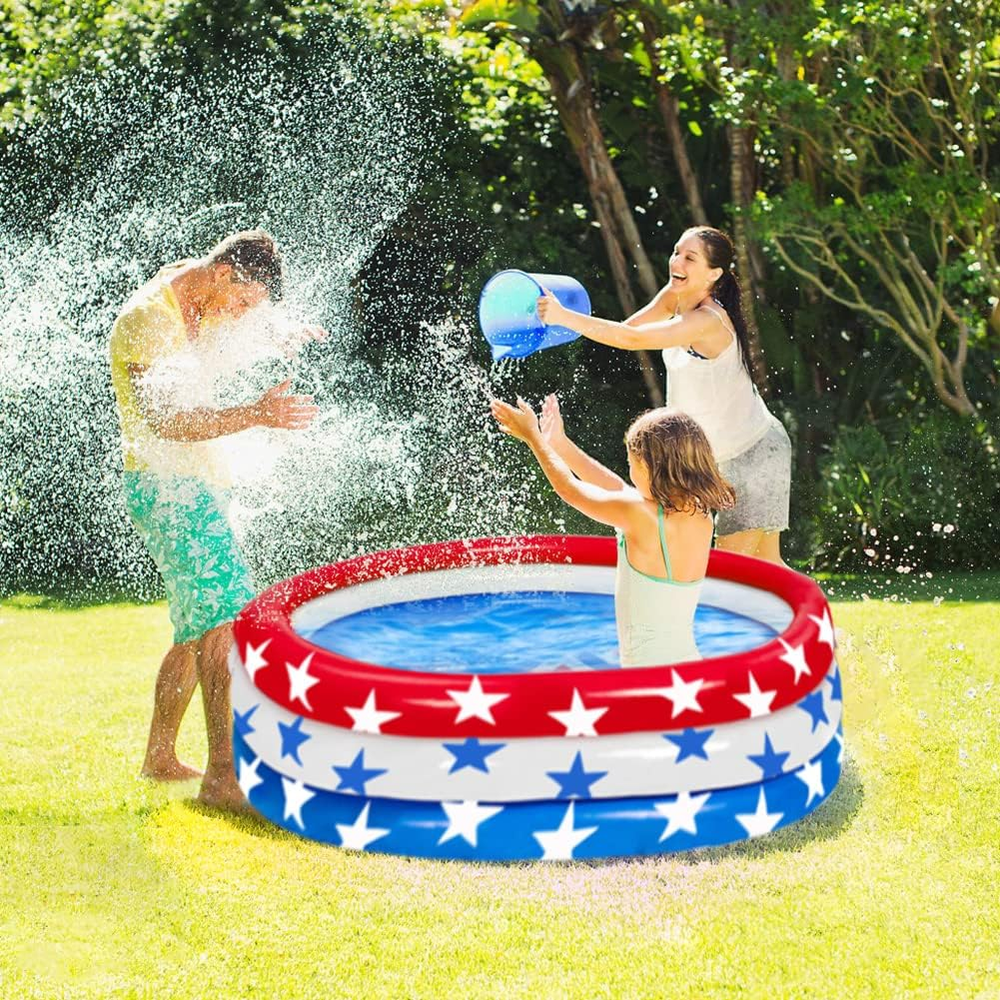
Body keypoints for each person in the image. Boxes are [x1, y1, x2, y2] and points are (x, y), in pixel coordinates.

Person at [109, 229, 322, 810]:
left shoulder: (197, 286)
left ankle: (159, 757)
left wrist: (275, 332)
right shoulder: (149, 320)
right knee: (228, 619)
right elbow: (166, 422)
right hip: (169, 490)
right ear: (226, 275)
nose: (242, 314)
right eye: (244, 302)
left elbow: (227, 326)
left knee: (192, 630)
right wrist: (257, 413)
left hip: (191, 485)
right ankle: (223, 778)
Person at [536, 226, 792, 565]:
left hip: (752, 454)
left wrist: (564, 316)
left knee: (733, 572)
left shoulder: (709, 320)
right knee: (767, 566)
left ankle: (809, 604)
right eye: (676, 252)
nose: (677, 262)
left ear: (714, 274)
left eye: (690, 258)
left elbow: (631, 340)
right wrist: (561, 322)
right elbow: (628, 330)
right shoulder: (675, 297)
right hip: (710, 459)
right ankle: (814, 603)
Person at [491, 394, 735, 667]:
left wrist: (533, 437)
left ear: (653, 468)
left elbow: (571, 490)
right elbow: (617, 488)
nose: (630, 473)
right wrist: (560, 445)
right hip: (686, 666)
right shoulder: (699, 513)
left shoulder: (639, 515)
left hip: (647, 674)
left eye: (632, 464)